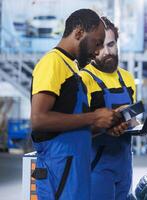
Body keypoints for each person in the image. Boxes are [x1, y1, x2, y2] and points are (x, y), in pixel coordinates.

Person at [30, 9, 122, 200]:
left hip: (74, 170)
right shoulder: (52, 63)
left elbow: (73, 125)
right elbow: (39, 119)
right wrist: (94, 116)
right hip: (58, 172)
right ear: (79, 33)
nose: (97, 51)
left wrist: (104, 126)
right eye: (97, 43)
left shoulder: (71, 68)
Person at [80, 17, 147, 200]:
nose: (106, 52)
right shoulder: (83, 79)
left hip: (125, 163)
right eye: (99, 46)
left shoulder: (127, 78)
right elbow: (75, 130)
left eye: (111, 44)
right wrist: (105, 128)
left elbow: (131, 118)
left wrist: (145, 127)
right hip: (96, 166)